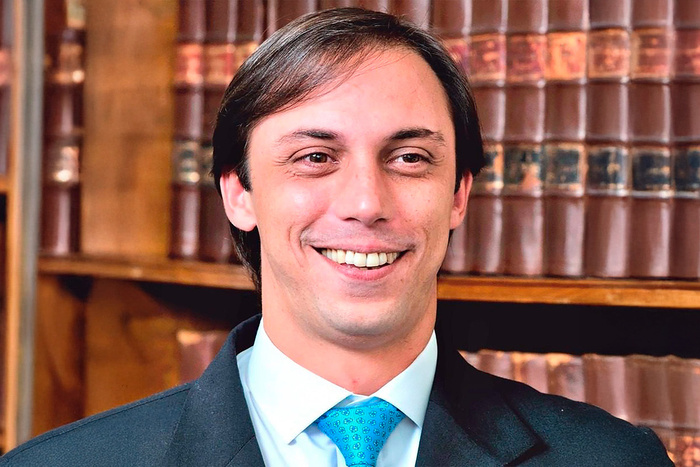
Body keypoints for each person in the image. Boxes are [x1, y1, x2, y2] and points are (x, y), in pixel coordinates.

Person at [2, 8, 672, 467]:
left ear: (459, 194)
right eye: (315, 157)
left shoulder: (613, 461)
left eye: (409, 158)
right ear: (238, 193)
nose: (365, 204)